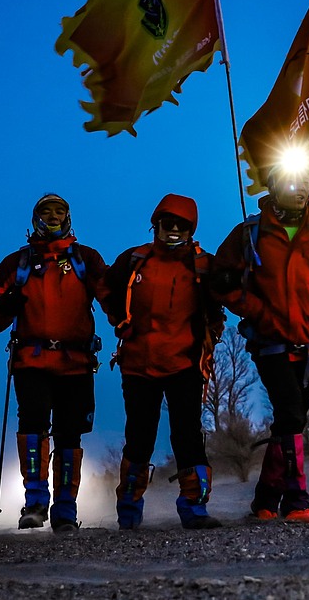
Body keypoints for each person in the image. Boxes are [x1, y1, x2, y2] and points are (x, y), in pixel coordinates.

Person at [211, 165, 309, 523]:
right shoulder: (249, 233)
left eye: (307, 182)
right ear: (275, 185)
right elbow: (221, 280)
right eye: (292, 183)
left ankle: (263, 502)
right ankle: (296, 501)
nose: (300, 189)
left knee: (289, 422)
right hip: (269, 343)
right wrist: (257, 311)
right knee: (291, 413)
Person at [101, 194, 226, 530]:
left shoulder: (203, 266)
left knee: (187, 435)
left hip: (185, 363)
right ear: (155, 223)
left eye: (181, 224)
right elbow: (105, 288)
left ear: (191, 228)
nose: (172, 228)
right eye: (166, 222)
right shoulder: (134, 260)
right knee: (139, 436)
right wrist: (120, 320)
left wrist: (215, 328)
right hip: (138, 362)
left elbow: (223, 297)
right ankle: (128, 506)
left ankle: (194, 508)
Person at [0, 193, 108, 534]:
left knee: (70, 436)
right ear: (35, 217)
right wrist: (5, 306)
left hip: (76, 361)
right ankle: (36, 503)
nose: (52, 216)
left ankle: (65, 510)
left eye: (59, 211)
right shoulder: (17, 263)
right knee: (33, 428)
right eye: (46, 211)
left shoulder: (86, 258)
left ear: (68, 216)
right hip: (32, 361)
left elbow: (112, 298)